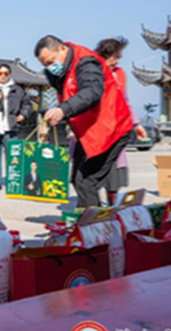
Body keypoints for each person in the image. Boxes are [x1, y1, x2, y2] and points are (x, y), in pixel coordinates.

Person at [34, 35, 133, 208]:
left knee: (87, 181)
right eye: (46, 65)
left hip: (111, 128)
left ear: (62, 49)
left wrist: (63, 110)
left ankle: (92, 222)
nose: (50, 67)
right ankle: (92, 218)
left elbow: (91, 92)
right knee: (77, 179)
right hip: (89, 131)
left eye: (51, 61)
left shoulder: (86, 62)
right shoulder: (63, 71)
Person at [95, 37, 148, 204]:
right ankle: (93, 207)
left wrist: (136, 124)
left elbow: (125, 101)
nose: (117, 61)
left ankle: (113, 205)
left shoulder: (119, 74)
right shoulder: (91, 71)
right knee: (92, 173)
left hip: (115, 129)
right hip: (95, 129)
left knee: (114, 170)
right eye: (115, 57)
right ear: (105, 55)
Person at [0, 64, 32, 192]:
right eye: (0, 73)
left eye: (6, 73)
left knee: (14, 157)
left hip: (11, 127)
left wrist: (23, 115)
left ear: (10, 75)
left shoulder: (18, 90)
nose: (3, 76)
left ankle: (15, 181)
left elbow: (27, 104)